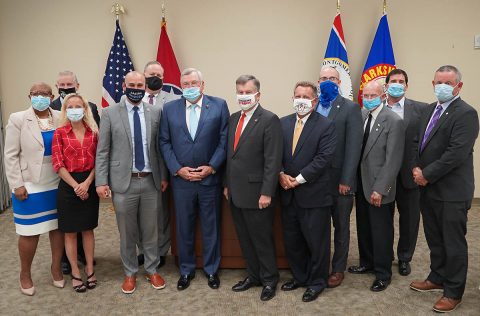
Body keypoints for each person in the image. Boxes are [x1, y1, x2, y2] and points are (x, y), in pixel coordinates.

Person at [410, 65, 479, 313]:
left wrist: (426, 174)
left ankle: (453, 291)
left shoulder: (467, 114)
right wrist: (416, 169)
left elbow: (456, 154)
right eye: (439, 81)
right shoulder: (430, 110)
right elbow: (419, 143)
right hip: (428, 190)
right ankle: (437, 277)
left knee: (453, 243)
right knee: (435, 239)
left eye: (448, 83)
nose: (442, 86)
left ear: (458, 86)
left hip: (452, 191)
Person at [95, 71, 167, 294]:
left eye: (140, 84)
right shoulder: (109, 113)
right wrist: (101, 181)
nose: (136, 87)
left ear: (146, 87)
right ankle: (130, 273)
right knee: (127, 231)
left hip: (150, 181)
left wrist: (163, 175)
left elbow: (159, 148)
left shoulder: (155, 111)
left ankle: (152, 269)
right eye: (132, 84)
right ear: (124, 86)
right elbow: (103, 150)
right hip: (122, 182)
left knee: (151, 229)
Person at [159, 68, 229, 290]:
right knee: (184, 227)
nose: (189, 87)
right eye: (185, 84)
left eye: (193, 83)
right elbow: (164, 142)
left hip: (209, 180)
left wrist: (212, 167)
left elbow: (224, 140)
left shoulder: (219, 105)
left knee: (211, 226)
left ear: (202, 85)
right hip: (182, 181)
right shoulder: (169, 109)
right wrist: (177, 170)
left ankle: (211, 270)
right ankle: (186, 270)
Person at [225, 75, 283, 301]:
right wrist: (226, 184)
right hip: (236, 192)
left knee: (261, 239)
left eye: (247, 92)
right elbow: (231, 156)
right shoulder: (232, 119)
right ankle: (254, 275)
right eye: (240, 92)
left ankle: (269, 279)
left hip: (258, 193)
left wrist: (267, 192)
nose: (243, 96)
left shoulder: (269, 119)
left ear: (258, 95)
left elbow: (273, 160)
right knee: (244, 238)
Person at [4, 82, 65, 296]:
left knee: (58, 229)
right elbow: (10, 155)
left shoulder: (60, 115)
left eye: (45, 93)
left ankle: (56, 268)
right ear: (29, 96)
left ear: (52, 96)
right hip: (29, 183)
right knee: (29, 232)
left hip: (58, 181)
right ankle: (25, 274)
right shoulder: (18, 118)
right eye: (36, 93)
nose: (40, 96)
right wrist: (16, 184)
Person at [279, 81, 336, 302]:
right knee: (293, 240)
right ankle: (300, 277)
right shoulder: (282, 123)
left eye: (305, 96)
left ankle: (317, 281)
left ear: (314, 101)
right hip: (287, 193)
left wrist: (298, 180)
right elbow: (274, 154)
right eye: (297, 96)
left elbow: (323, 159)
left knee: (317, 242)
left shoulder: (326, 125)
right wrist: (280, 174)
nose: (300, 100)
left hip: (313, 194)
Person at [348, 80, 405, 292]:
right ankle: (367, 262)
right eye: (366, 95)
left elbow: (393, 160)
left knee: (381, 230)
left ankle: (383, 272)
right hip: (361, 184)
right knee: (364, 226)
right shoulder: (362, 115)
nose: (368, 99)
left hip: (379, 187)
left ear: (383, 95)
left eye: (373, 95)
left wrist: (380, 188)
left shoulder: (393, 121)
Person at [316, 67, 363, 288]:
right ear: (318, 81)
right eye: (324, 78)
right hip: (315, 180)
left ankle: (337, 269)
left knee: (341, 226)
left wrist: (347, 180)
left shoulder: (350, 108)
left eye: (332, 78)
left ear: (339, 81)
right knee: (319, 226)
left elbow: (354, 147)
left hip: (340, 181)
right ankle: (320, 264)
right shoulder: (312, 105)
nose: (327, 81)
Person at [51, 70, 99, 274]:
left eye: (78, 107)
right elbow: (57, 163)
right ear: (64, 110)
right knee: (69, 231)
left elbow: (100, 158)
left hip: (89, 181)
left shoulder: (93, 131)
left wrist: (87, 184)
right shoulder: (60, 132)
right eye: (69, 107)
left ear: (85, 108)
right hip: (68, 185)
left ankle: (88, 267)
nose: (74, 110)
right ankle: (74, 271)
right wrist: (76, 186)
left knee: (87, 229)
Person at [384, 69, 428, 276]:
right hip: (383, 175)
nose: (397, 84)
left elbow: (427, 143)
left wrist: (421, 168)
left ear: (407, 86)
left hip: (409, 174)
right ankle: (385, 255)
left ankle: (404, 257)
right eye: (393, 81)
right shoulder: (375, 107)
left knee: (409, 219)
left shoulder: (422, 109)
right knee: (383, 219)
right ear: (386, 85)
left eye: (401, 81)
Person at [136, 61, 180, 268]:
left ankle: (161, 251)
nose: (156, 77)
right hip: (136, 164)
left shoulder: (173, 101)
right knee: (138, 213)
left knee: (160, 212)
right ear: (143, 75)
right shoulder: (129, 99)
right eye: (151, 74)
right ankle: (143, 251)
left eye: (159, 75)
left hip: (162, 162)